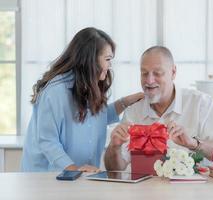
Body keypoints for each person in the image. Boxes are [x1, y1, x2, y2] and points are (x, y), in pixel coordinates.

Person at [21, 27, 144, 172]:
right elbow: (48, 142)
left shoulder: (87, 85)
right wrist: (75, 170)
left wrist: (126, 101)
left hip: (79, 177)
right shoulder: (55, 92)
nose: (110, 65)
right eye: (107, 59)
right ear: (90, 60)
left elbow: (96, 117)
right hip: (47, 178)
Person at [104, 46, 213, 171]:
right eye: (144, 73)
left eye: (157, 73)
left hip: (192, 192)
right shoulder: (133, 110)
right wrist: (114, 147)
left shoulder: (200, 103)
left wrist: (194, 144)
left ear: (173, 72)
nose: (149, 80)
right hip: (142, 192)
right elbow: (114, 169)